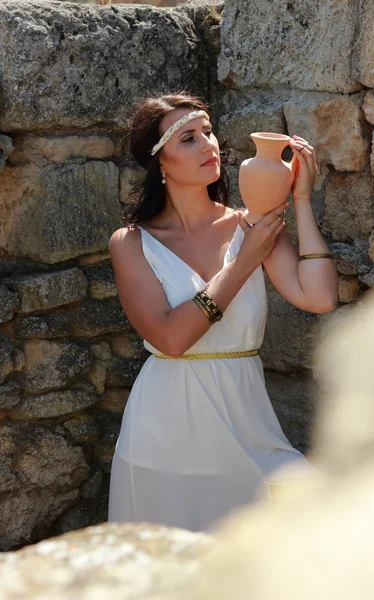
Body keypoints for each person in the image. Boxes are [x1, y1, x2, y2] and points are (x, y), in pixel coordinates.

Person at [108, 92, 338, 531]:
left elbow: (319, 297)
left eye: (209, 133)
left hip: (247, 421)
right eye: (188, 139)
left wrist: (301, 199)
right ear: (160, 162)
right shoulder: (131, 243)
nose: (209, 145)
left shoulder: (248, 224)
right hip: (164, 433)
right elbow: (171, 340)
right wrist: (245, 262)